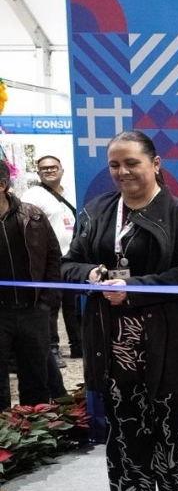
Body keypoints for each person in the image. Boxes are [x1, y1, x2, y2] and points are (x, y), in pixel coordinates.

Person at [61, 130, 178, 491]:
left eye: (132, 163)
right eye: (114, 165)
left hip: (167, 340)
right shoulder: (96, 212)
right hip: (111, 342)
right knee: (124, 426)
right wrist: (91, 274)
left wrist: (133, 288)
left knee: (172, 426)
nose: (122, 172)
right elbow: (68, 264)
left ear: (155, 164)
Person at [0, 159, 62, 409]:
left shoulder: (32, 215)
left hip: (33, 311)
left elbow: (53, 257)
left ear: (2, 184)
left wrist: (46, 301)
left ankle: (34, 427)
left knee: (36, 379)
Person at [22, 155, 81, 362]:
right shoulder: (32, 195)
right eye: (44, 168)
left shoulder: (71, 192)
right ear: (38, 172)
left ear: (62, 169)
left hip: (72, 258)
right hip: (49, 260)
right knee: (50, 306)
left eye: (53, 167)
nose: (49, 171)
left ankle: (78, 345)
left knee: (73, 304)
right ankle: (52, 349)